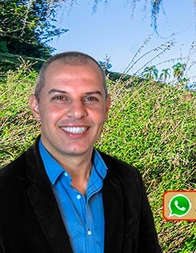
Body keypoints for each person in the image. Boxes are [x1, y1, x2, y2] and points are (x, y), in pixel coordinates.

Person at [0, 51, 162, 253]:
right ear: (36, 107)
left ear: (106, 107)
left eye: (91, 98)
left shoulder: (129, 179)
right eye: (60, 97)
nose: (77, 112)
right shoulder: (4, 190)